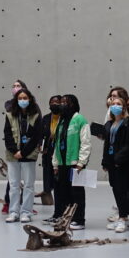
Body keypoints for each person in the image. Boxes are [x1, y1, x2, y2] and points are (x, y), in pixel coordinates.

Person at [51, 93, 91, 230]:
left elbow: (86, 142)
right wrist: (55, 164)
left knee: (77, 193)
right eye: (60, 102)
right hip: (62, 164)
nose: (61, 104)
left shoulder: (80, 119)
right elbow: (56, 144)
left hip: (75, 164)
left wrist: (81, 162)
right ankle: (67, 218)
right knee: (64, 192)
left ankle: (79, 220)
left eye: (64, 102)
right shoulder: (61, 121)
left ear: (72, 104)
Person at [3, 87, 42, 223]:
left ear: (30, 99)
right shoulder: (10, 115)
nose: (22, 100)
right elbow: (7, 135)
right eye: (20, 98)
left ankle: (26, 212)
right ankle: (13, 212)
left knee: (29, 185)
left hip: (29, 155)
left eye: (25, 98)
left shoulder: (36, 115)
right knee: (13, 185)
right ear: (16, 100)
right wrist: (15, 151)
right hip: (13, 156)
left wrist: (23, 152)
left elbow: (36, 136)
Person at [101, 94, 129, 234]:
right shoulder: (109, 123)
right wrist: (105, 161)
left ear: (124, 107)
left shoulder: (126, 123)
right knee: (115, 188)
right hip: (111, 161)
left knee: (122, 190)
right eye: (113, 104)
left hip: (121, 162)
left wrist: (120, 159)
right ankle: (121, 215)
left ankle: (123, 218)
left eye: (119, 104)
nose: (116, 106)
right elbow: (107, 144)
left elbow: (128, 144)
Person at [39, 95, 63, 217]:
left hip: (59, 152)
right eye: (52, 102)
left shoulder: (64, 118)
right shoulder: (46, 118)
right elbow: (41, 135)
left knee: (58, 178)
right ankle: (48, 196)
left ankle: (61, 201)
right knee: (47, 176)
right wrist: (40, 146)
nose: (54, 104)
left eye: (57, 102)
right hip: (47, 152)